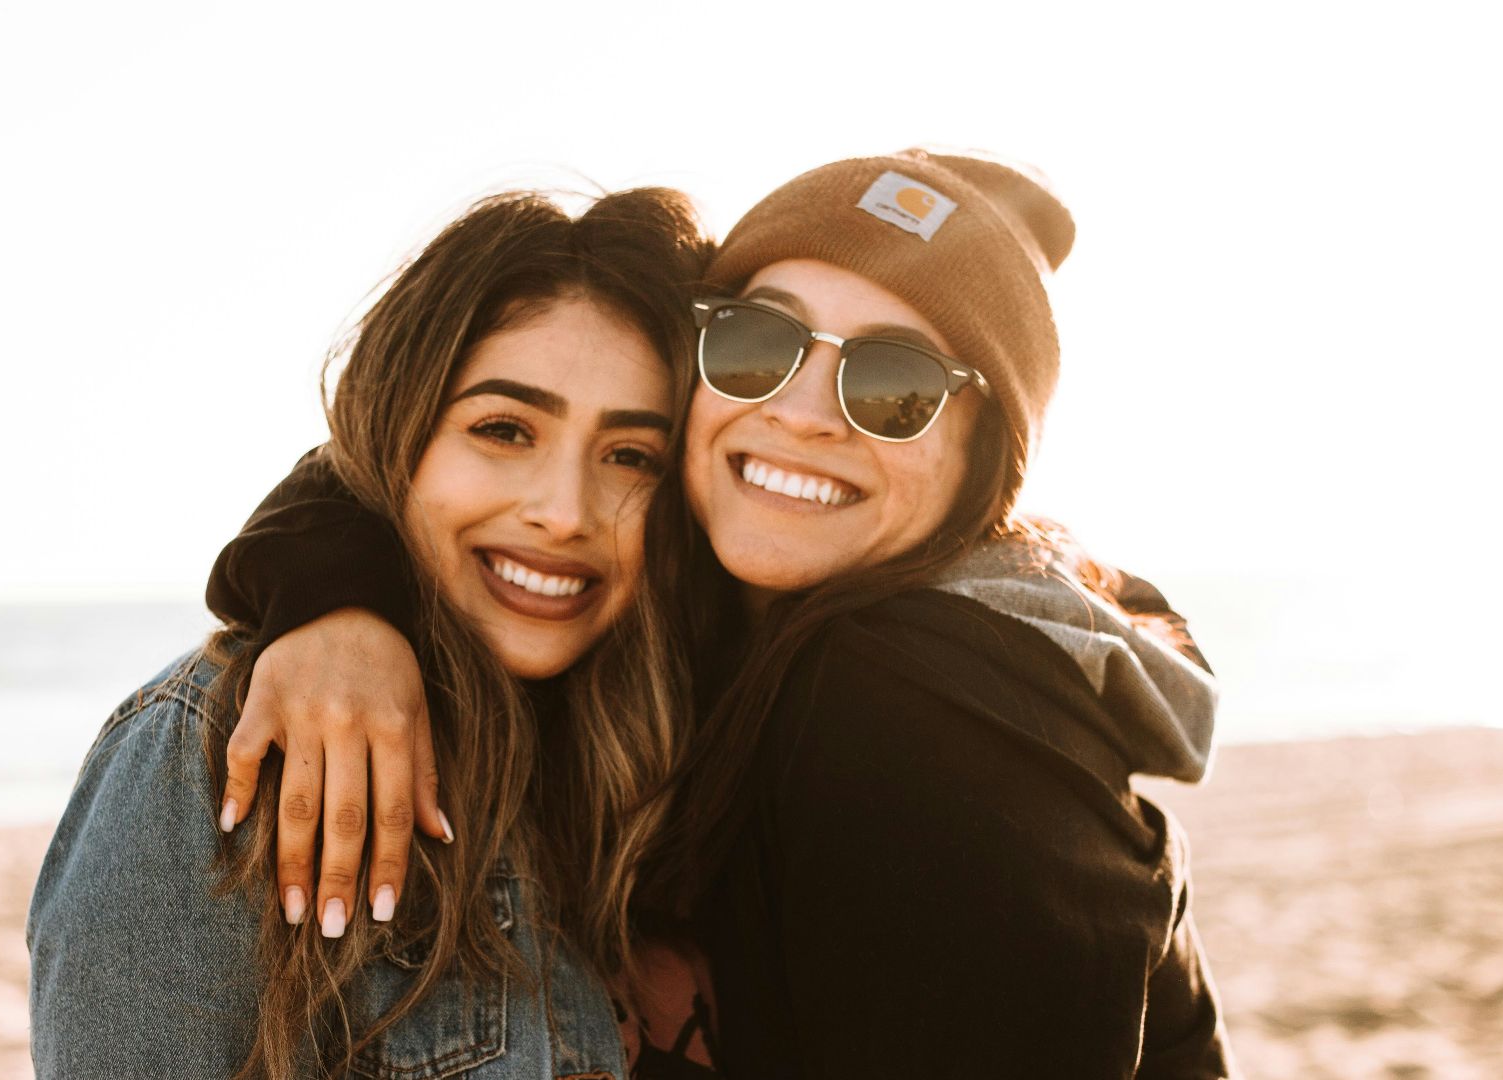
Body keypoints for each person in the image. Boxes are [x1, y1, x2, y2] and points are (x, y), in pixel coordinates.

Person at [207, 149, 1235, 1077]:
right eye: (759, 342)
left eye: (895, 382)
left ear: (983, 460)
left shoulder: (919, 707)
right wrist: (340, 603)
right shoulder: (711, 602)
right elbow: (414, 452)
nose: (800, 410)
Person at [25, 187, 723, 1078]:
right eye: (504, 430)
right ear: (398, 437)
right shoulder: (217, 751)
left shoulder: (668, 753)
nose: (564, 512)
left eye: (632, 456)